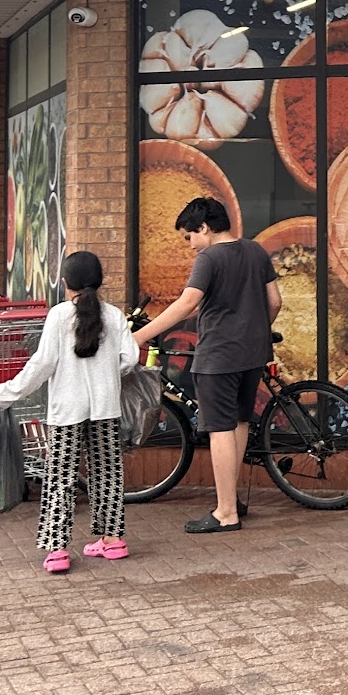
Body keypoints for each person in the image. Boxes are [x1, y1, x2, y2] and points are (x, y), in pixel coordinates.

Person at [132, 196, 280, 535]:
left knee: (220, 428)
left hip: (220, 356)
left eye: (189, 236)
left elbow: (186, 305)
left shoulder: (209, 257)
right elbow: (275, 301)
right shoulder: (256, 251)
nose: (190, 245)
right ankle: (232, 498)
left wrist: (138, 337)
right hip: (254, 354)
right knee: (240, 422)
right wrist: (257, 329)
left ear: (203, 227)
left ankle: (226, 511)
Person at [0, 250, 136, 575]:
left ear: (66, 282)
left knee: (60, 478)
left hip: (66, 412)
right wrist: (107, 373)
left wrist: (7, 393)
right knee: (108, 474)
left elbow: (43, 364)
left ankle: (58, 550)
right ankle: (113, 541)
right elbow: (130, 359)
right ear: (99, 281)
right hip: (105, 409)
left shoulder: (58, 316)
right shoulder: (114, 316)